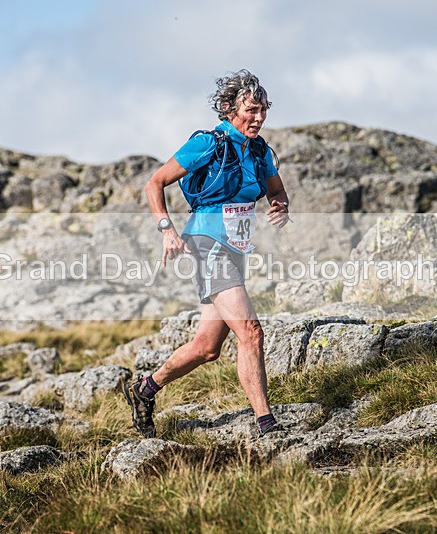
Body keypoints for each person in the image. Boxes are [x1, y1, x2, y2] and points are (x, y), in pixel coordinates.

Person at [124, 69, 291, 439]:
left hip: (235, 250)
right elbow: (155, 182)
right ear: (231, 108)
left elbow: (277, 191)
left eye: (263, 110)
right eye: (252, 110)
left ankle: (145, 389)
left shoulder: (260, 151)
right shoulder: (208, 143)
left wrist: (280, 205)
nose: (259, 118)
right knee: (251, 332)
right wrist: (166, 230)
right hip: (207, 244)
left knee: (206, 348)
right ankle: (267, 424)